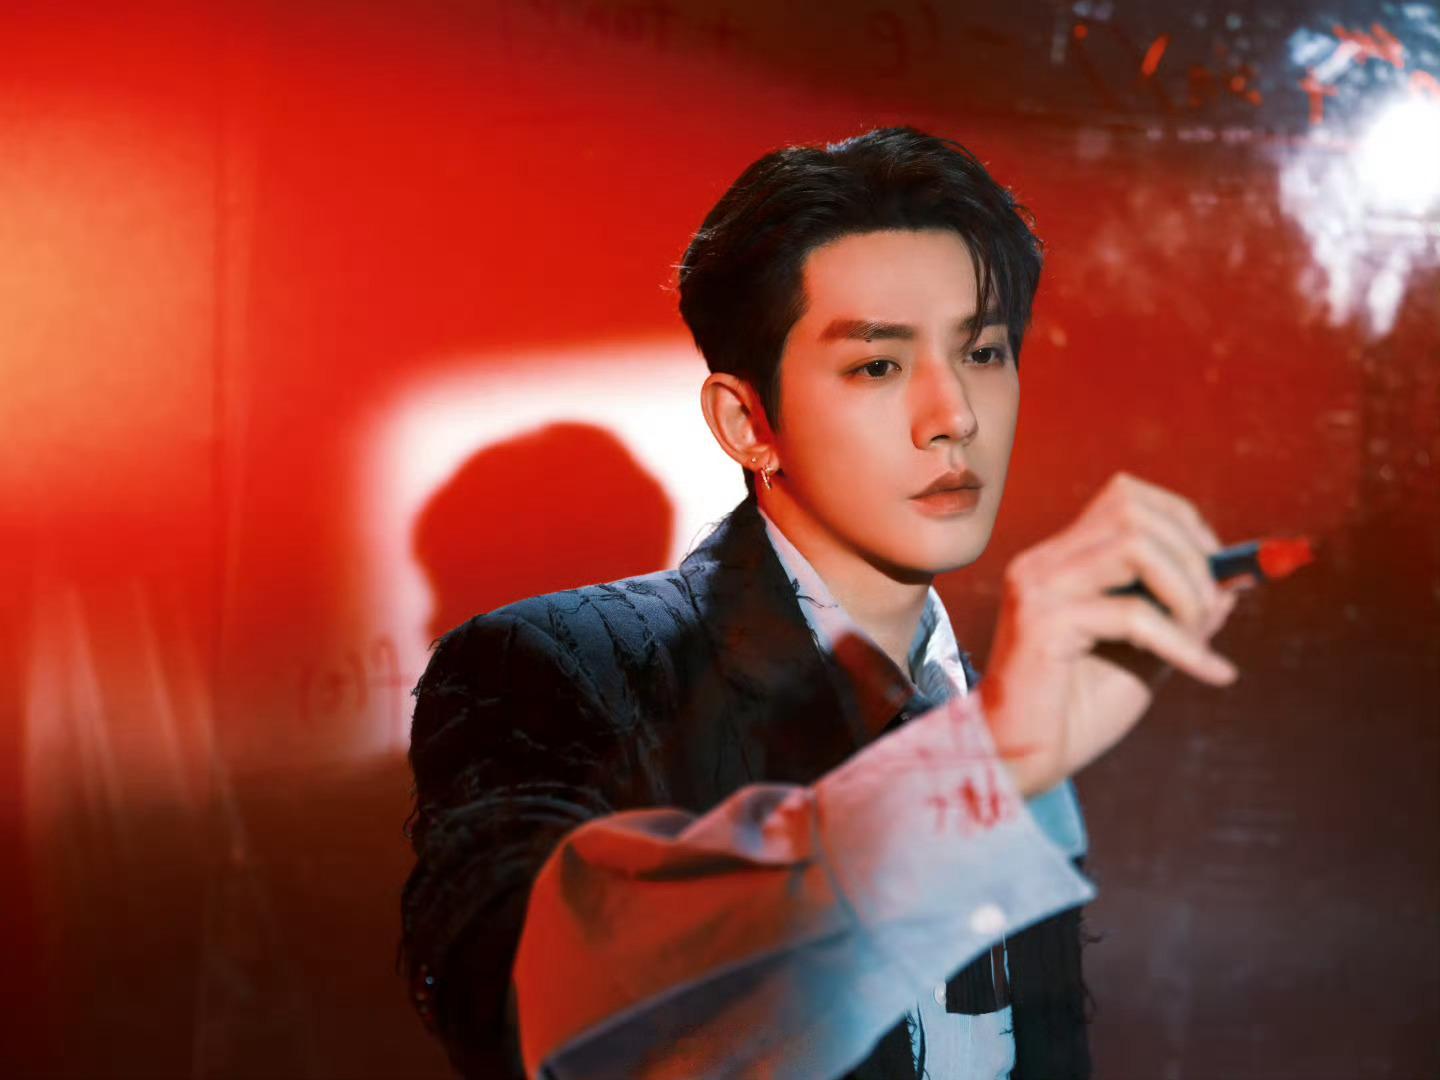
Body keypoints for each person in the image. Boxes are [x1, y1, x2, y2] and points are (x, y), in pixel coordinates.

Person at [399, 126, 1240, 1079]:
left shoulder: (1005, 697)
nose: (955, 416)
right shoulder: (552, 666)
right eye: (878, 365)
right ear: (745, 421)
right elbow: (521, 1006)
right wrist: (978, 768)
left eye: (984, 351)